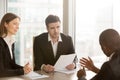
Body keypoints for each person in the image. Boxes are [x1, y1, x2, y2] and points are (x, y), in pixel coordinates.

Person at [0, 13, 32, 77]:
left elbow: (12, 65)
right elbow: (1, 72)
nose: (18, 27)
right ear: (6, 24)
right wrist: (22, 71)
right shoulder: (0, 43)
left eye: (18, 24)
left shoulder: (11, 42)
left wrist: (24, 68)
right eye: (15, 24)